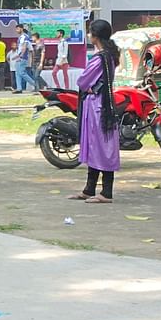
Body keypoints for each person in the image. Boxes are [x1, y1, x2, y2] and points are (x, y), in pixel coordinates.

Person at [68, 20, 120, 204]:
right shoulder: (109, 55)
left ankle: (106, 192)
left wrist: (89, 88)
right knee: (95, 147)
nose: (89, 36)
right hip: (100, 104)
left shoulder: (99, 58)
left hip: (98, 106)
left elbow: (82, 81)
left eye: (90, 33)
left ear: (95, 36)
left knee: (102, 147)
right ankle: (89, 189)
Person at [12, 24, 37, 94]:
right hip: (19, 56)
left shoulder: (25, 37)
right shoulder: (20, 37)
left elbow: (24, 47)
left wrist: (21, 56)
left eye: (18, 29)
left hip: (22, 58)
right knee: (17, 73)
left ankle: (36, 85)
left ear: (21, 29)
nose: (16, 30)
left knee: (22, 73)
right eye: (16, 29)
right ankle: (19, 88)